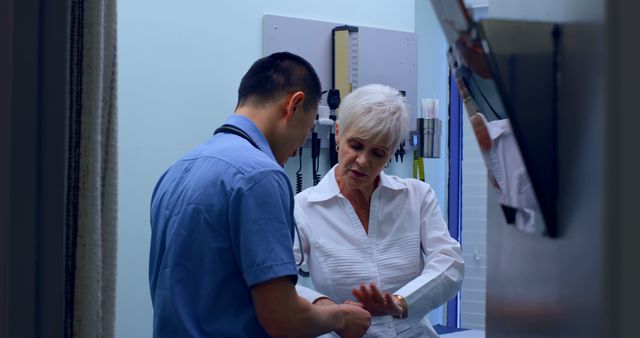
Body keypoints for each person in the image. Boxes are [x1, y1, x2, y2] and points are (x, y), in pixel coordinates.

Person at [149, 52, 371, 338]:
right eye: (309, 127)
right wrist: (341, 317)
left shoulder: (178, 170)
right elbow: (283, 319)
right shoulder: (260, 177)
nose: (298, 148)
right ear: (294, 104)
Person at [293, 84, 464, 337]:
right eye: (356, 145)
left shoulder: (417, 196)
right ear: (338, 134)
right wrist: (325, 307)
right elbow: (277, 283)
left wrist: (401, 302)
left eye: (378, 153)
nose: (363, 161)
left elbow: (449, 263)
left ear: (391, 154)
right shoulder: (303, 207)